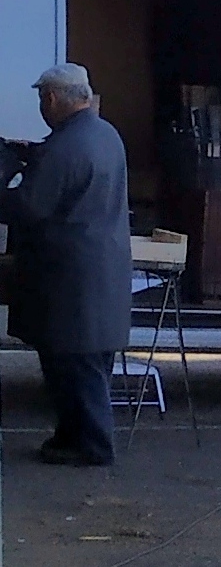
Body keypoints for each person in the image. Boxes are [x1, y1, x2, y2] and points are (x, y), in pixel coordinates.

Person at [0, 64, 133, 466]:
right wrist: (33, 155)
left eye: (42, 99)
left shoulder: (64, 147)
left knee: (75, 367)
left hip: (70, 279)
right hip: (98, 273)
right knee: (84, 364)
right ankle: (71, 437)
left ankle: (93, 446)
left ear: (52, 98)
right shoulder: (105, 134)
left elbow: (29, 207)